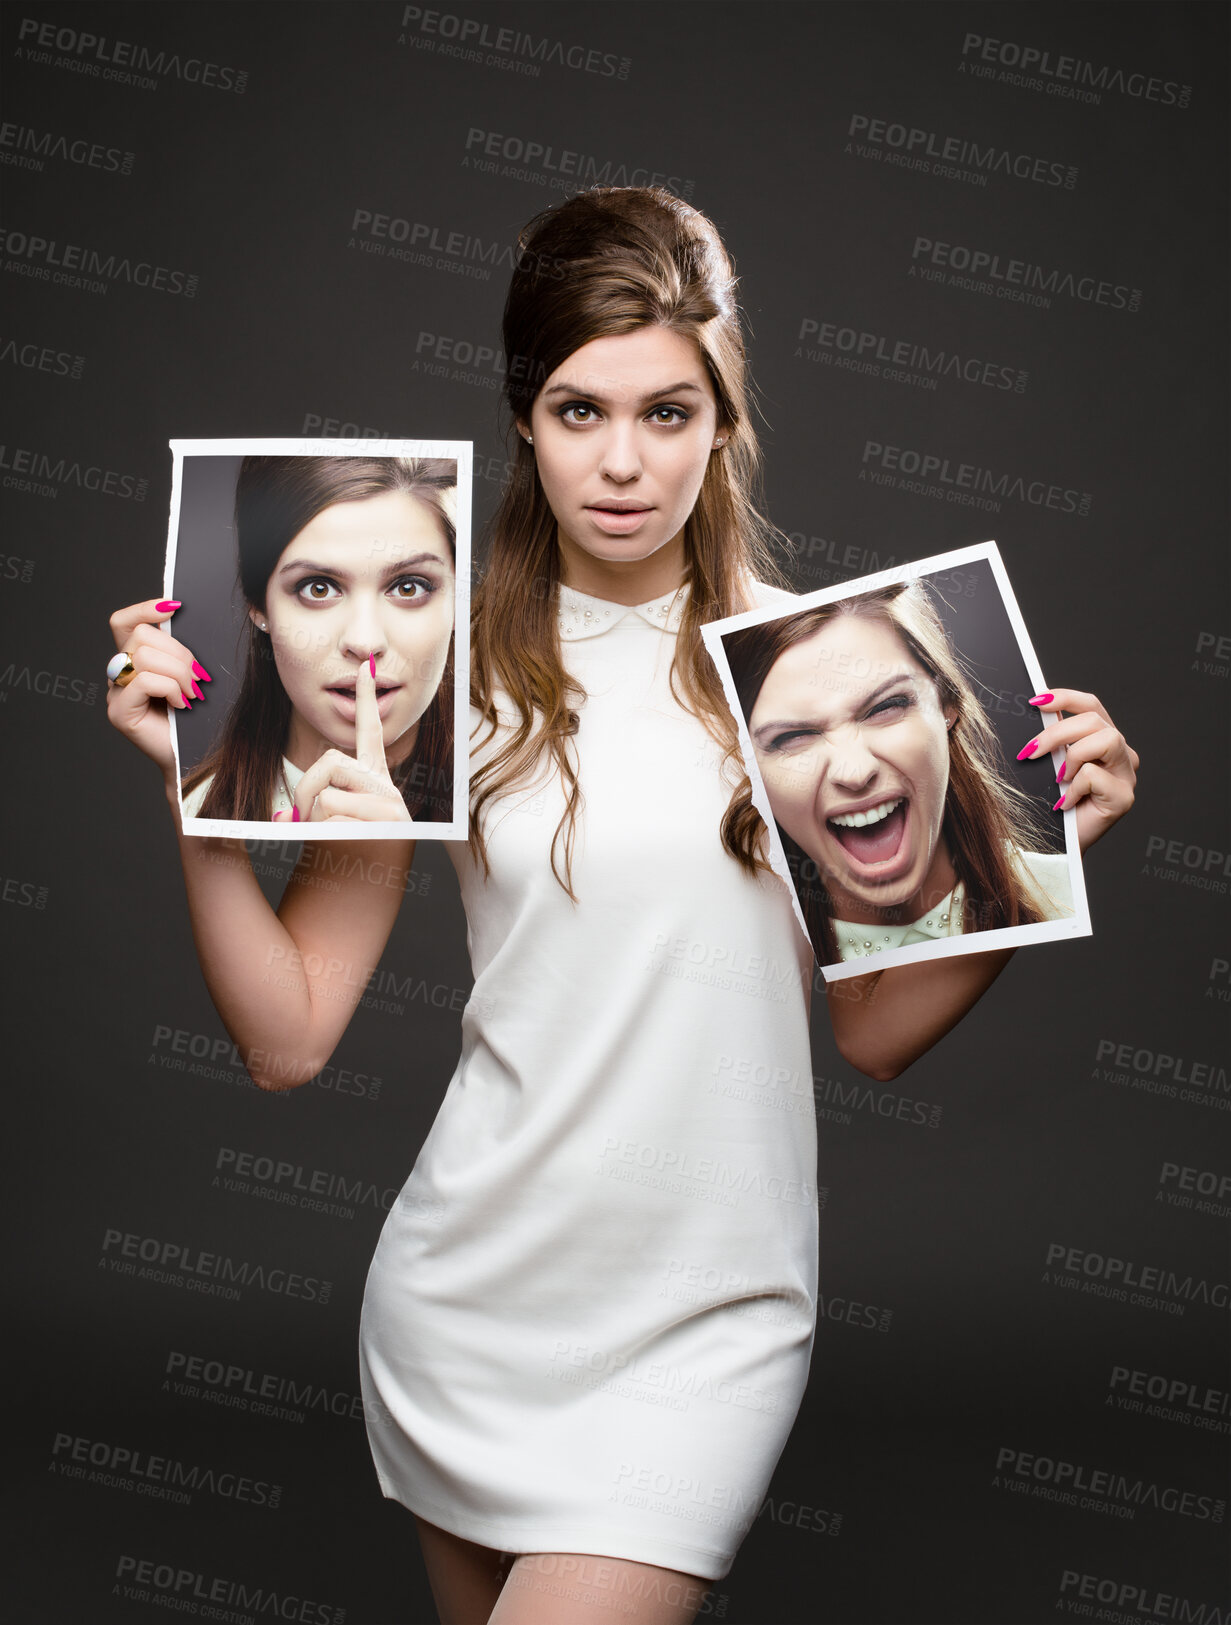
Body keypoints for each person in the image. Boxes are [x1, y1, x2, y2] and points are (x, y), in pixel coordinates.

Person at [104, 186, 1138, 1625]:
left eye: (668, 412)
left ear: (724, 419)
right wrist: (194, 802)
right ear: (523, 417)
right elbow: (287, 1036)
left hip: (707, 1326)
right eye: (580, 411)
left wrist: (1039, 871)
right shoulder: (436, 670)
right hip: (468, 1307)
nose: (622, 461)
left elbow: (874, 1036)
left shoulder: (804, 678)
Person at [719, 579, 1084, 966]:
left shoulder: (1068, 892)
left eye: (885, 707)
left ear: (947, 704)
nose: (855, 772)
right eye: (792, 736)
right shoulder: (747, 956)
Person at [175, 455, 457, 823]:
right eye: (319, 588)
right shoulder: (197, 814)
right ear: (259, 606)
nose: (365, 641)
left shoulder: (509, 807)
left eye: (408, 587)